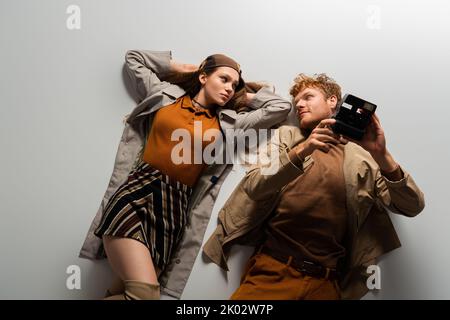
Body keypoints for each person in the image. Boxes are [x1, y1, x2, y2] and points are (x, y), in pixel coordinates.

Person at [79, 50, 291, 300]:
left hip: (174, 209)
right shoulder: (165, 95)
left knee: (125, 293)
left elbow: (281, 107)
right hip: (137, 194)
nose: (229, 88)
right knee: (144, 295)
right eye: (223, 79)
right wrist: (181, 68)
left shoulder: (230, 124)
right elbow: (133, 58)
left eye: (234, 84)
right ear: (203, 77)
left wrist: (245, 94)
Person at [203, 73, 425, 300]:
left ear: (333, 102)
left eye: (308, 97)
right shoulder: (286, 137)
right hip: (274, 271)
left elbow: (412, 207)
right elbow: (254, 186)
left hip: (328, 284)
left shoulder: (364, 157)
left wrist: (382, 154)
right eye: (296, 101)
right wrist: (303, 149)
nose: (299, 104)